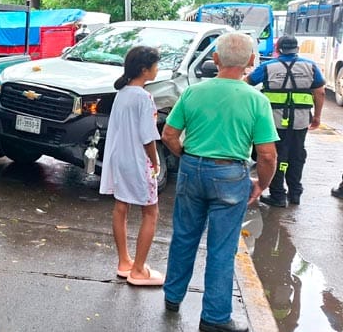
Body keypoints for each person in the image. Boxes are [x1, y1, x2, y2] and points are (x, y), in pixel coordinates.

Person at [161, 32, 278, 332]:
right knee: (222, 248)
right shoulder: (256, 100)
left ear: (215, 59)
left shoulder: (193, 92)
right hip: (230, 175)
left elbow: (169, 135)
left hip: (191, 169)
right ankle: (214, 318)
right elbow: (267, 155)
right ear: (251, 61)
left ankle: (173, 296)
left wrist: (187, 157)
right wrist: (262, 184)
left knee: (184, 236)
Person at [99, 46, 164, 286]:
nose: (157, 69)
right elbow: (148, 136)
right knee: (150, 212)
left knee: (121, 207)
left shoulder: (122, 93)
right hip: (138, 160)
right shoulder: (144, 97)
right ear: (144, 69)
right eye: (155, 65)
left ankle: (124, 261)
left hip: (119, 158)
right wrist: (155, 160)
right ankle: (138, 270)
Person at [246, 35, 325, 207]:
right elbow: (320, 92)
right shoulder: (311, 66)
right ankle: (295, 193)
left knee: (276, 156)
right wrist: (317, 116)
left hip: (273, 121)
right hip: (300, 121)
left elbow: (246, 83)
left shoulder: (267, 66)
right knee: (297, 155)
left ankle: (278, 195)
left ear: (278, 49)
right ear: (297, 49)